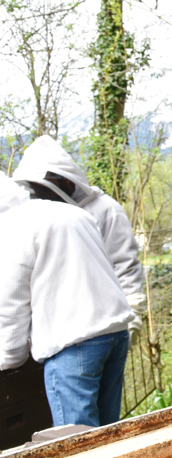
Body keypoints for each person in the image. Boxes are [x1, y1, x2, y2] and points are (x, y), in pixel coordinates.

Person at [0, 172, 134, 427]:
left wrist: (9, 358)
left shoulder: (12, 229)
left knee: (77, 442)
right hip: (115, 332)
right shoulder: (70, 213)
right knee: (108, 435)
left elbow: (10, 300)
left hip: (74, 343)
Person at [12, 136, 147, 343]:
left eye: (46, 189)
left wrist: (132, 316)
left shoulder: (106, 211)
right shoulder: (34, 215)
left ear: (67, 181)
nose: (42, 195)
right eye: (36, 189)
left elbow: (124, 266)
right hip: (53, 330)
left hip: (100, 325)